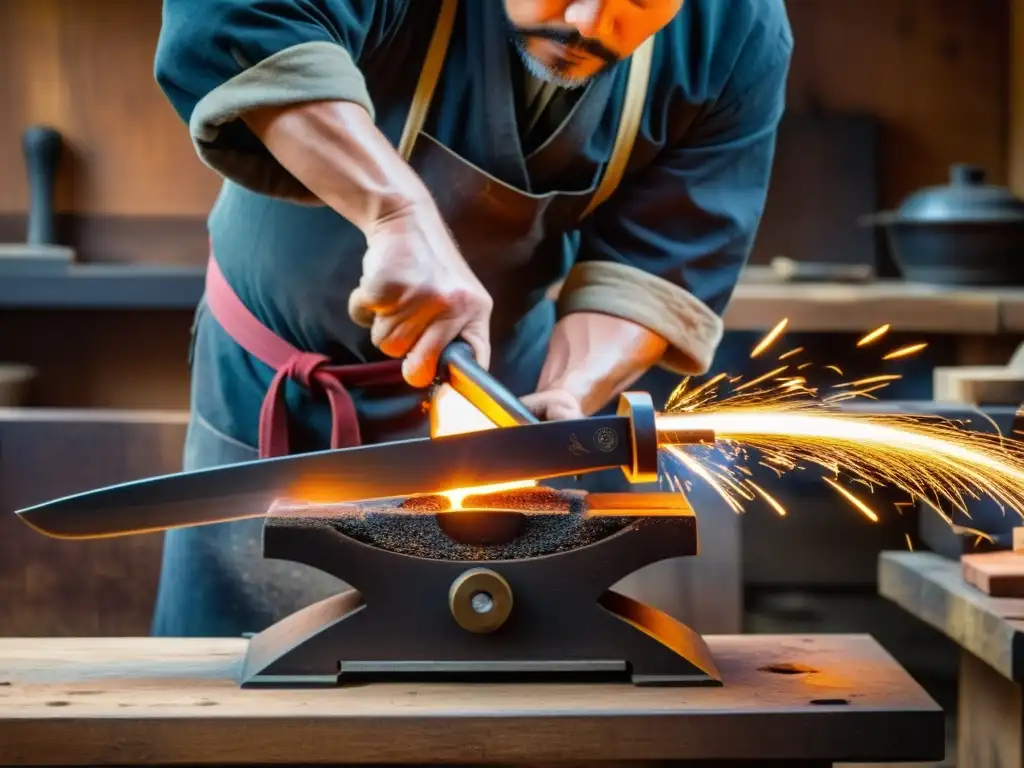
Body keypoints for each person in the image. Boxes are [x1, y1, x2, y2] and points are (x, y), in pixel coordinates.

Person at [151, 0, 793, 637]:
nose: (588, 19)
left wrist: (568, 393)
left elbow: (655, 268)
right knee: (227, 700)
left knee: (469, 697)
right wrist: (396, 211)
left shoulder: (737, 30)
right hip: (269, 390)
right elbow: (244, 17)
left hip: (496, 405)